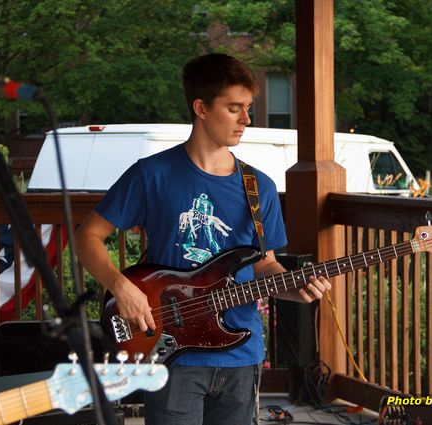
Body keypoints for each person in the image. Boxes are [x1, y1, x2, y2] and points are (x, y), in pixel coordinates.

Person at [75, 52, 332, 425]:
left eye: (248, 108)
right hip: (171, 353)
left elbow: (265, 263)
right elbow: (88, 237)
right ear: (201, 107)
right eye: (234, 108)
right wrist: (122, 288)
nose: (246, 119)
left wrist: (295, 287)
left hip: (240, 354)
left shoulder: (259, 186)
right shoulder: (153, 175)